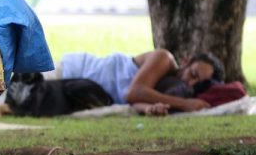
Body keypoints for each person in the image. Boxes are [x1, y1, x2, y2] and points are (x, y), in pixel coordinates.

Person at [56, 49, 224, 116]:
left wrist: (152, 108)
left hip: (78, 91)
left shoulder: (170, 92)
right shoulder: (165, 59)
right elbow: (133, 93)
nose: (190, 82)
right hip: (72, 70)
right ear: (186, 61)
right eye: (193, 74)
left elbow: (135, 103)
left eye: (198, 83)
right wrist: (185, 104)